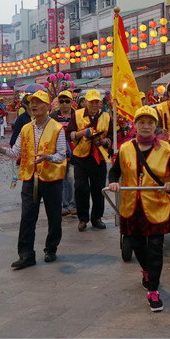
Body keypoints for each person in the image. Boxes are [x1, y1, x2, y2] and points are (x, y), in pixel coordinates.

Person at [107, 106, 170, 312]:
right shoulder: (124, 149)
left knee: (156, 247)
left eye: (150, 123)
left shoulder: (166, 150)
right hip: (132, 206)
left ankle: (153, 290)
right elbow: (114, 172)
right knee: (136, 244)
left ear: (155, 126)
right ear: (135, 125)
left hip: (157, 205)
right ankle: (147, 272)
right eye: (141, 122)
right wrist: (114, 182)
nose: (146, 126)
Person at [0, 91, 67, 270]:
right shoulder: (26, 128)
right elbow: (17, 152)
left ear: (47, 107)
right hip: (30, 178)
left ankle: (51, 248)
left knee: (54, 216)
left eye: (38, 102)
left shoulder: (57, 128)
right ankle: (26, 254)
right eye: (32, 103)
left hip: (51, 178)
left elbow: (62, 155)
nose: (33, 106)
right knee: (27, 216)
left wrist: (47, 157)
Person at [68, 89, 113, 232]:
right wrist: (82, 133)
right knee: (81, 188)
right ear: (85, 102)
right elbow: (69, 134)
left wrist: (105, 141)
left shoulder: (107, 117)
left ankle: (97, 218)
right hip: (81, 157)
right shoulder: (77, 114)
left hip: (98, 157)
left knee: (98, 189)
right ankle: (83, 219)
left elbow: (113, 137)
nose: (94, 105)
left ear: (100, 103)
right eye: (91, 102)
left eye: (96, 102)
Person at [51, 91, 77, 217]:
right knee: (61, 180)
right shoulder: (53, 117)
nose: (64, 104)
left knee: (72, 179)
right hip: (59, 154)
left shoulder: (77, 116)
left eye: (67, 101)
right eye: (61, 101)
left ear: (72, 102)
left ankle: (73, 205)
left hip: (74, 153)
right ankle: (64, 206)